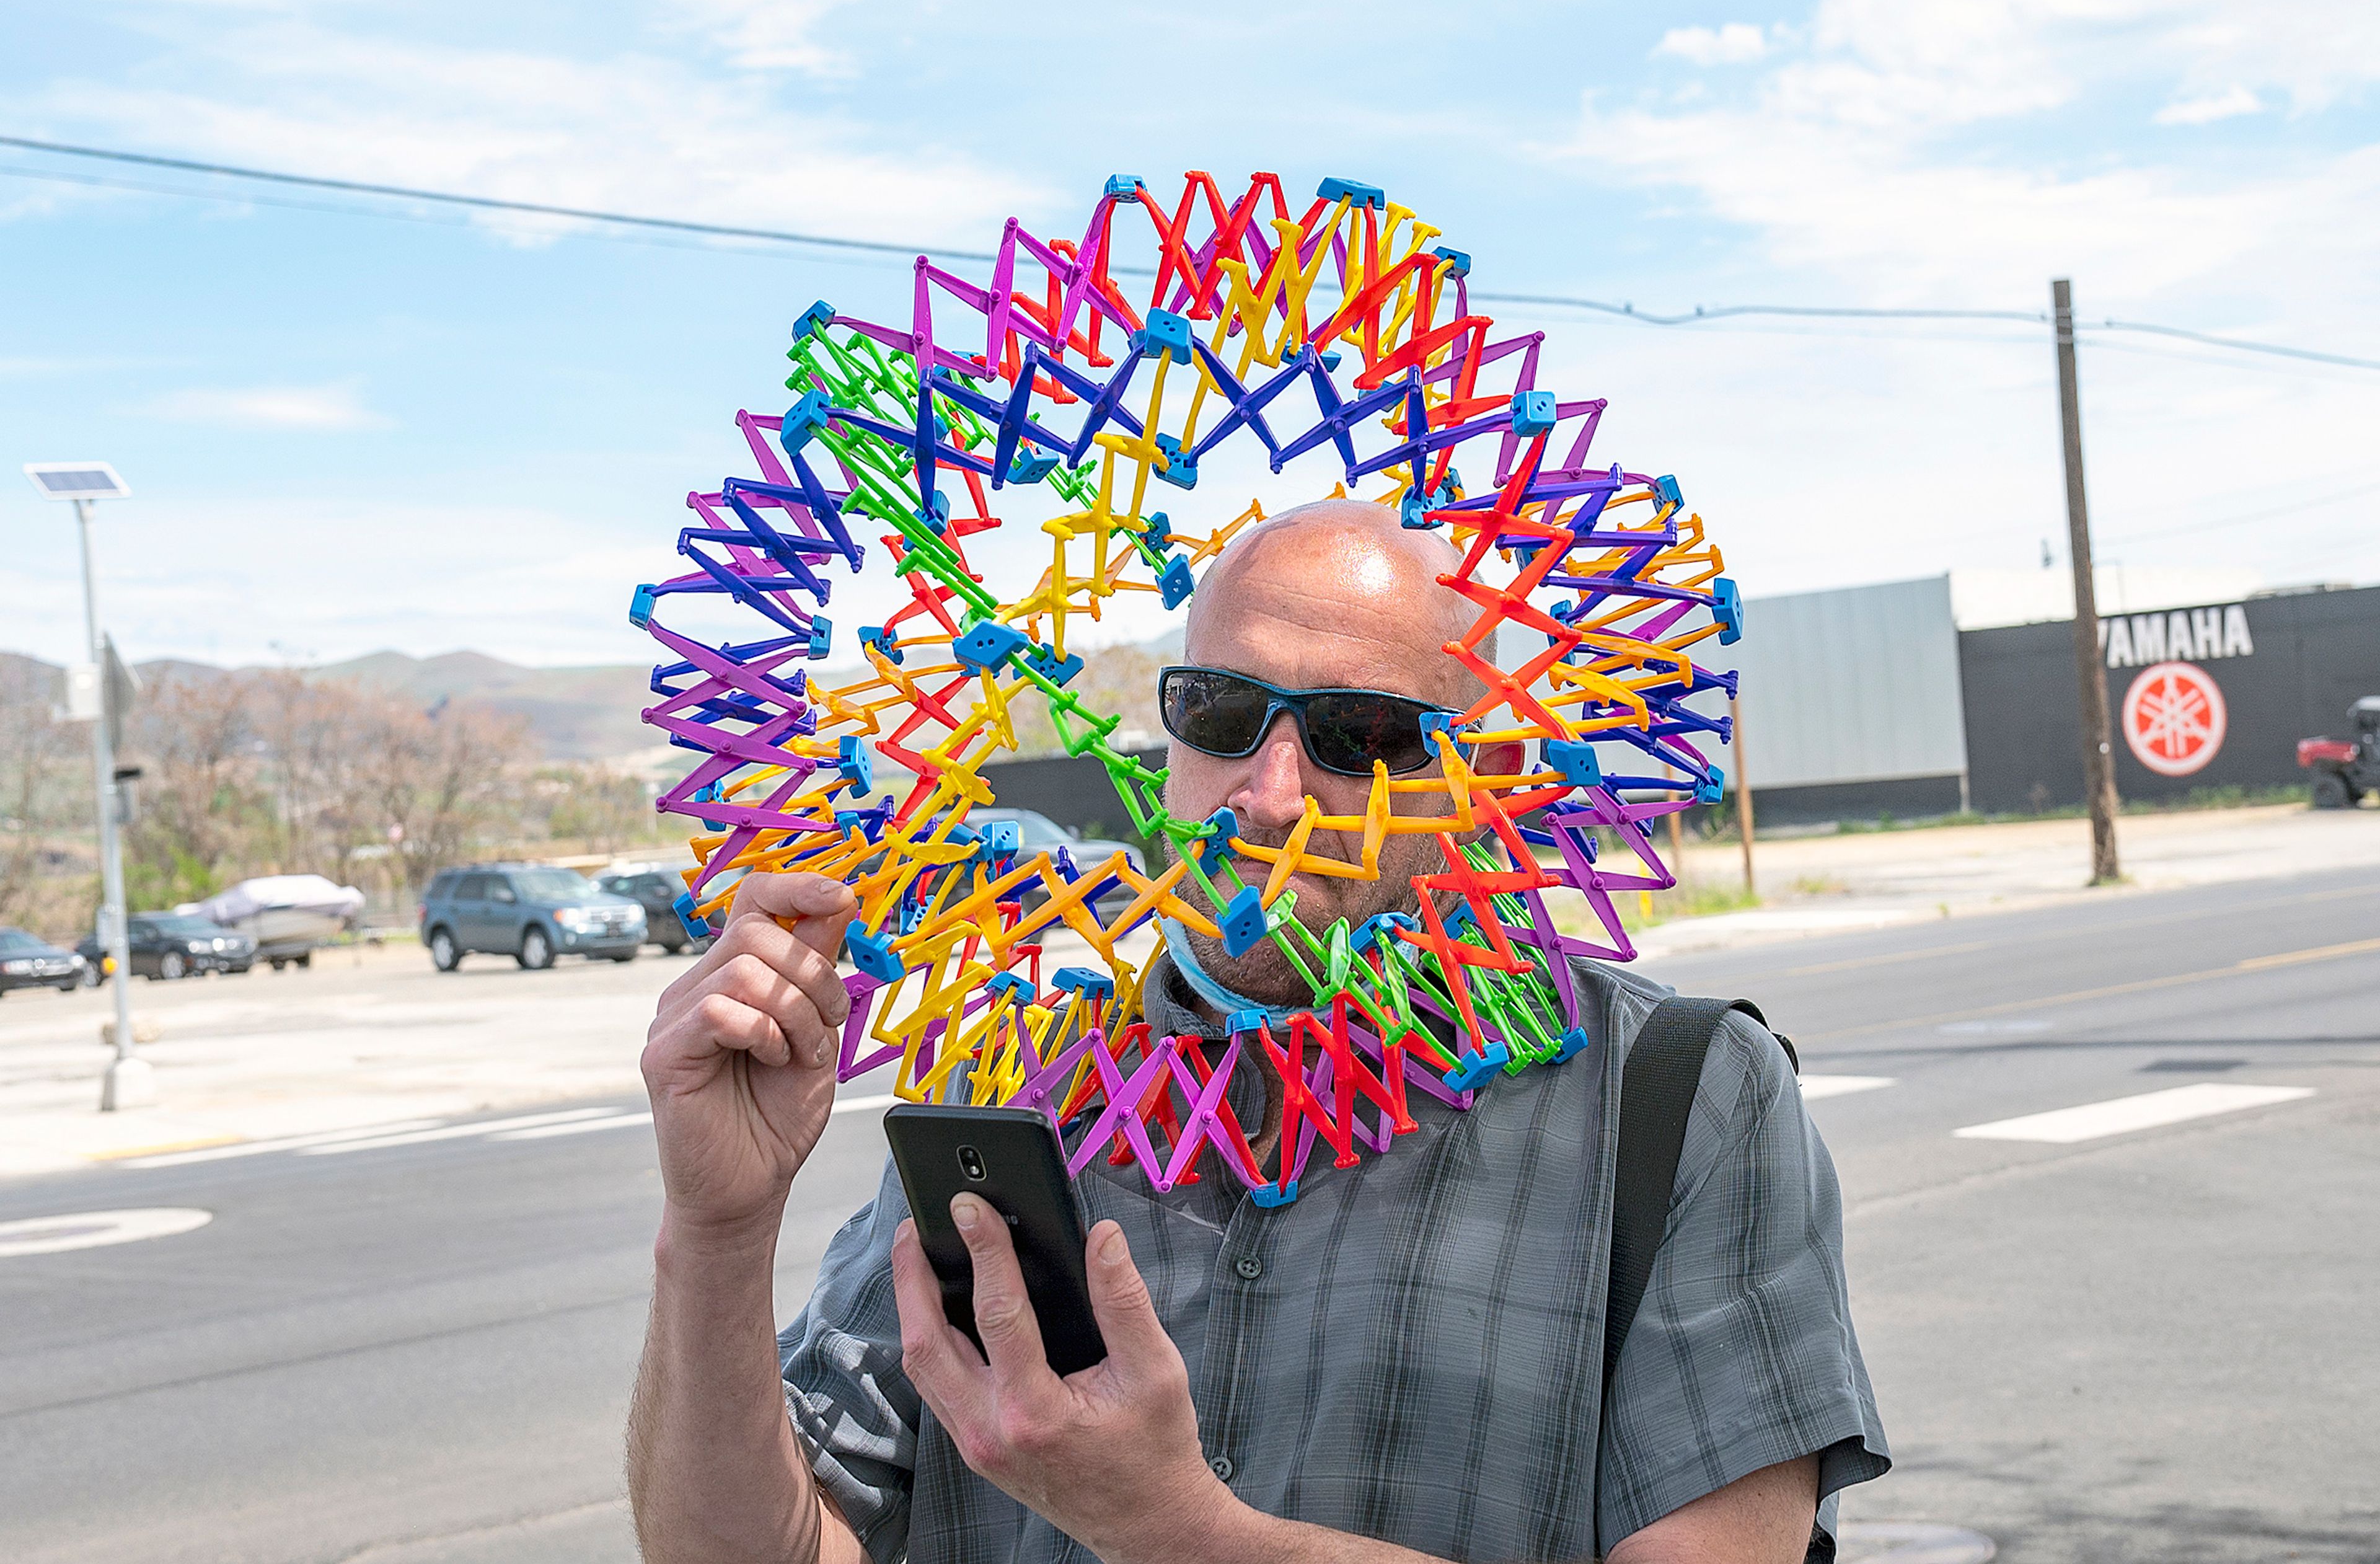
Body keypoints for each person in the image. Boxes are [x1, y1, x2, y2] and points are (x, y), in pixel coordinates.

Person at [627, 500, 1889, 1563]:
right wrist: (718, 1231)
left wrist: (1182, 1530)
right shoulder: (1031, 1104)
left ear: (1471, 772)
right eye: (1224, 710)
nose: (1272, 792)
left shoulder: (1678, 1101)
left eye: (1361, 734)